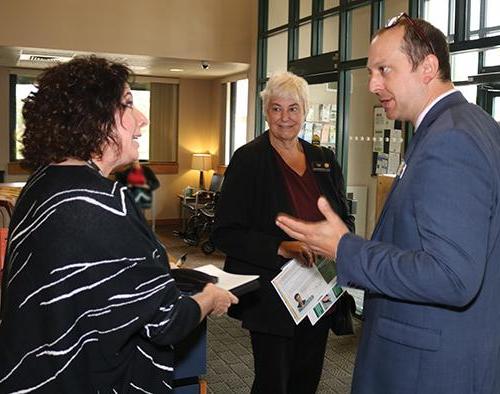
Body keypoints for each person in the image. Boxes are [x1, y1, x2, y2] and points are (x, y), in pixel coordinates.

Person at [276, 14, 500, 394]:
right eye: (370, 71)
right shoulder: (463, 125)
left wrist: (344, 249)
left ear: (428, 66)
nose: (373, 84)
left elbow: (452, 276)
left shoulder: (450, 140)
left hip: (428, 369)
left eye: (384, 70)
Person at [0, 56, 238, 393]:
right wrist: (210, 297)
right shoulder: (102, 202)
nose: (144, 118)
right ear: (93, 118)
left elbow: (101, 282)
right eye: (128, 104)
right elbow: (165, 321)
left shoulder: (43, 183)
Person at [211, 71, 354, 394]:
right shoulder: (248, 159)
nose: (285, 118)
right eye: (276, 108)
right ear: (266, 112)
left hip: (318, 289)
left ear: (304, 111)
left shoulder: (324, 160)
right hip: (273, 296)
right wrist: (281, 247)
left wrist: (336, 242)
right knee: (273, 383)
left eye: (293, 109)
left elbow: (344, 219)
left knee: (306, 380)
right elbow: (225, 233)